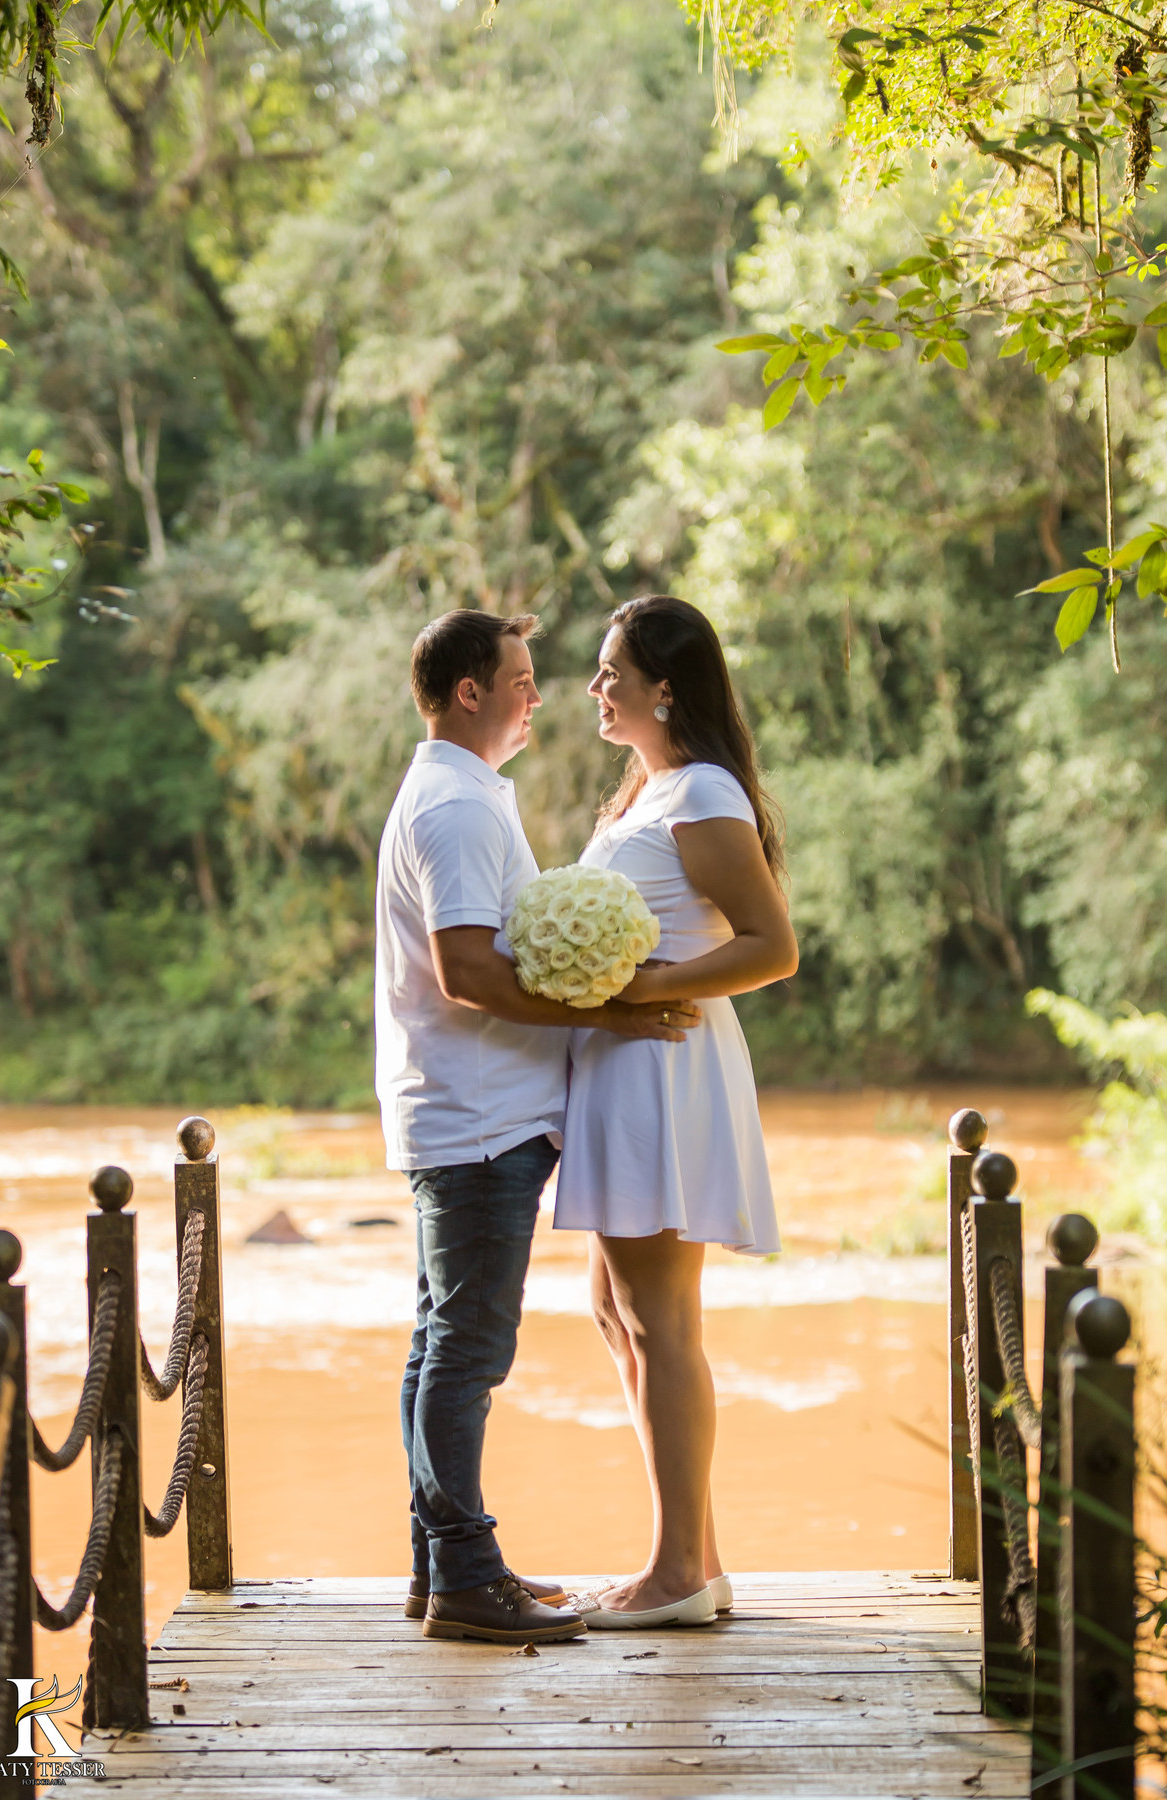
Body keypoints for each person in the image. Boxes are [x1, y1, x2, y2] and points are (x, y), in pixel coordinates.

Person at [374, 607, 701, 1646]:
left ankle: (442, 1568)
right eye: (521, 676)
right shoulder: (458, 810)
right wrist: (610, 1010)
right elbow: (469, 973)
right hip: (477, 1121)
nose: (539, 692)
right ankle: (468, 1574)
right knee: (467, 1351)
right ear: (470, 691)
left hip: (473, 1113)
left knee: (444, 1348)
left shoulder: (461, 793)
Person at [555, 595, 799, 1630]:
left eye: (615, 670)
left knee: (660, 1321)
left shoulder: (701, 790)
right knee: (617, 1311)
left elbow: (770, 946)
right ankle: (695, 1554)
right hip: (623, 1066)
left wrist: (641, 991)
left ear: (667, 687)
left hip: (662, 1065)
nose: (597, 686)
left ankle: (675, 1577)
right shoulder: (645, 793)